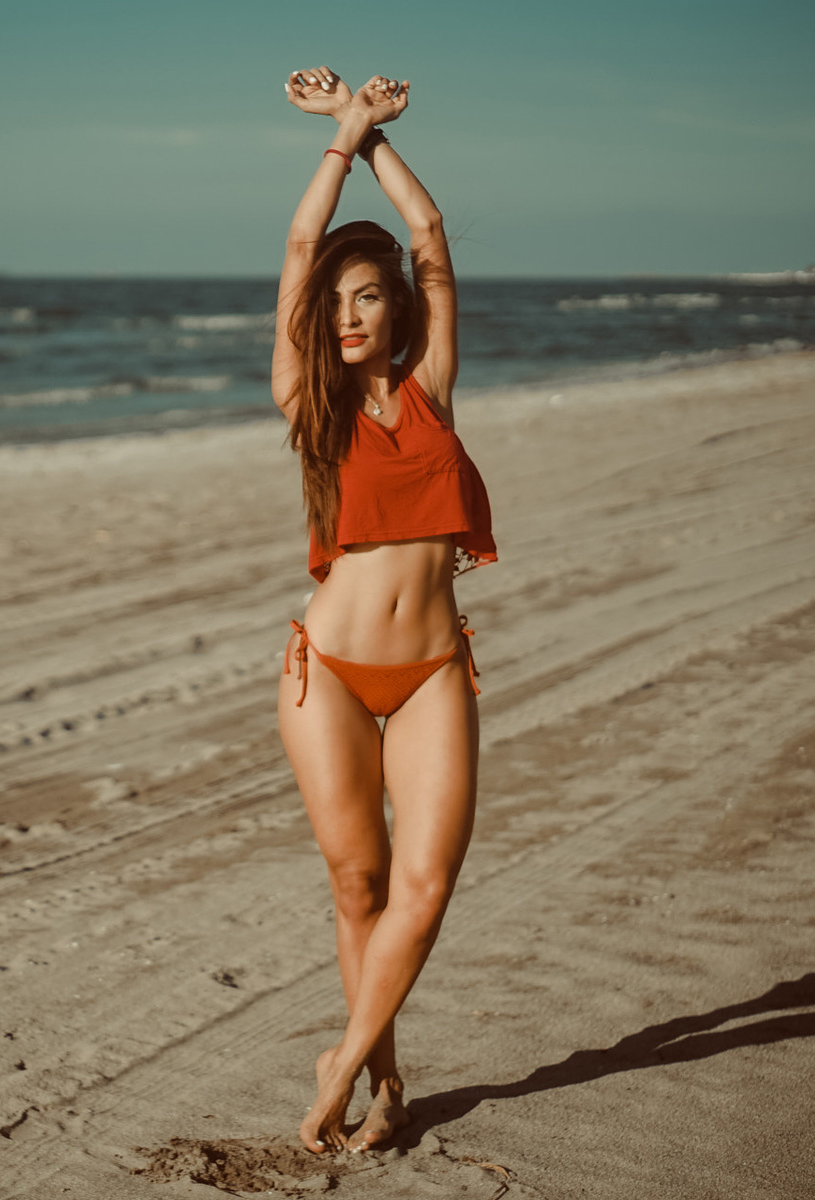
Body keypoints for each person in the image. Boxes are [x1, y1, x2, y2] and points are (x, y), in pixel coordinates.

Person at [271, 66, 496, 1154]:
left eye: (372, 296)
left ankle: (342, 1070)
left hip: (432, 673)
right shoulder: (307, 400)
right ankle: (390, 1085)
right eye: (340, 298)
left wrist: (375, 144)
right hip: (330, 674)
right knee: (360, 886)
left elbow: (434, 233)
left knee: (427, 881)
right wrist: (334, 140)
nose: (352, 312)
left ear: (395, 309)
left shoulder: (432, 386)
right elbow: (296, 257)